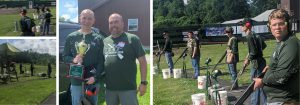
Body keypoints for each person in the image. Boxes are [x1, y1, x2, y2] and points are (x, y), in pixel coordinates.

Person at [253, 9, 299, 104]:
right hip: (279, 99)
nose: (277, 27)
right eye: (274, 25)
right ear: (269, 27)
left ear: (287, 25)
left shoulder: (290, 44)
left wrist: (262, 80)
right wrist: (269, 69)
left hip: (285, 100)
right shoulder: (282, 42)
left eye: (281, 24)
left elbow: (281, 76)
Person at [103, 13, 148, 105]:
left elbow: (143, 62)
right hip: (109, 89)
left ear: (123, 23)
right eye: (111, 23)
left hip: (128, 88)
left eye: (116, 22)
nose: (113, 25)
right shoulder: (105, 41)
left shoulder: (132, 39)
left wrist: (143, 83)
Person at [63, 9, 104, 105]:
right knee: (76, 102)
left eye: (90, 18)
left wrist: (96, 77)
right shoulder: (71, 37)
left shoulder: (98, 38)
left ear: (94, 20)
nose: (87, 21)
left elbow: (101, 61)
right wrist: (74, 59)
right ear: (79, 19)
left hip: (92, 79)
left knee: (93, 101)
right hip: (76, 78)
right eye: (84, 18)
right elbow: (65, 56)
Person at [241, 18, 267, 105]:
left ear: (247, 26)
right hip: (261, 61)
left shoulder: (248, 36)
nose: (241, 27)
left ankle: (254, 103)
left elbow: (253, 52)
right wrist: (253, 54)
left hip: (256, 64)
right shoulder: (256, 35)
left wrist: (248, 59)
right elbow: (263, 46)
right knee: (261, 83)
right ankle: (265, 103)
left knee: (254, 84)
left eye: (242, 25)